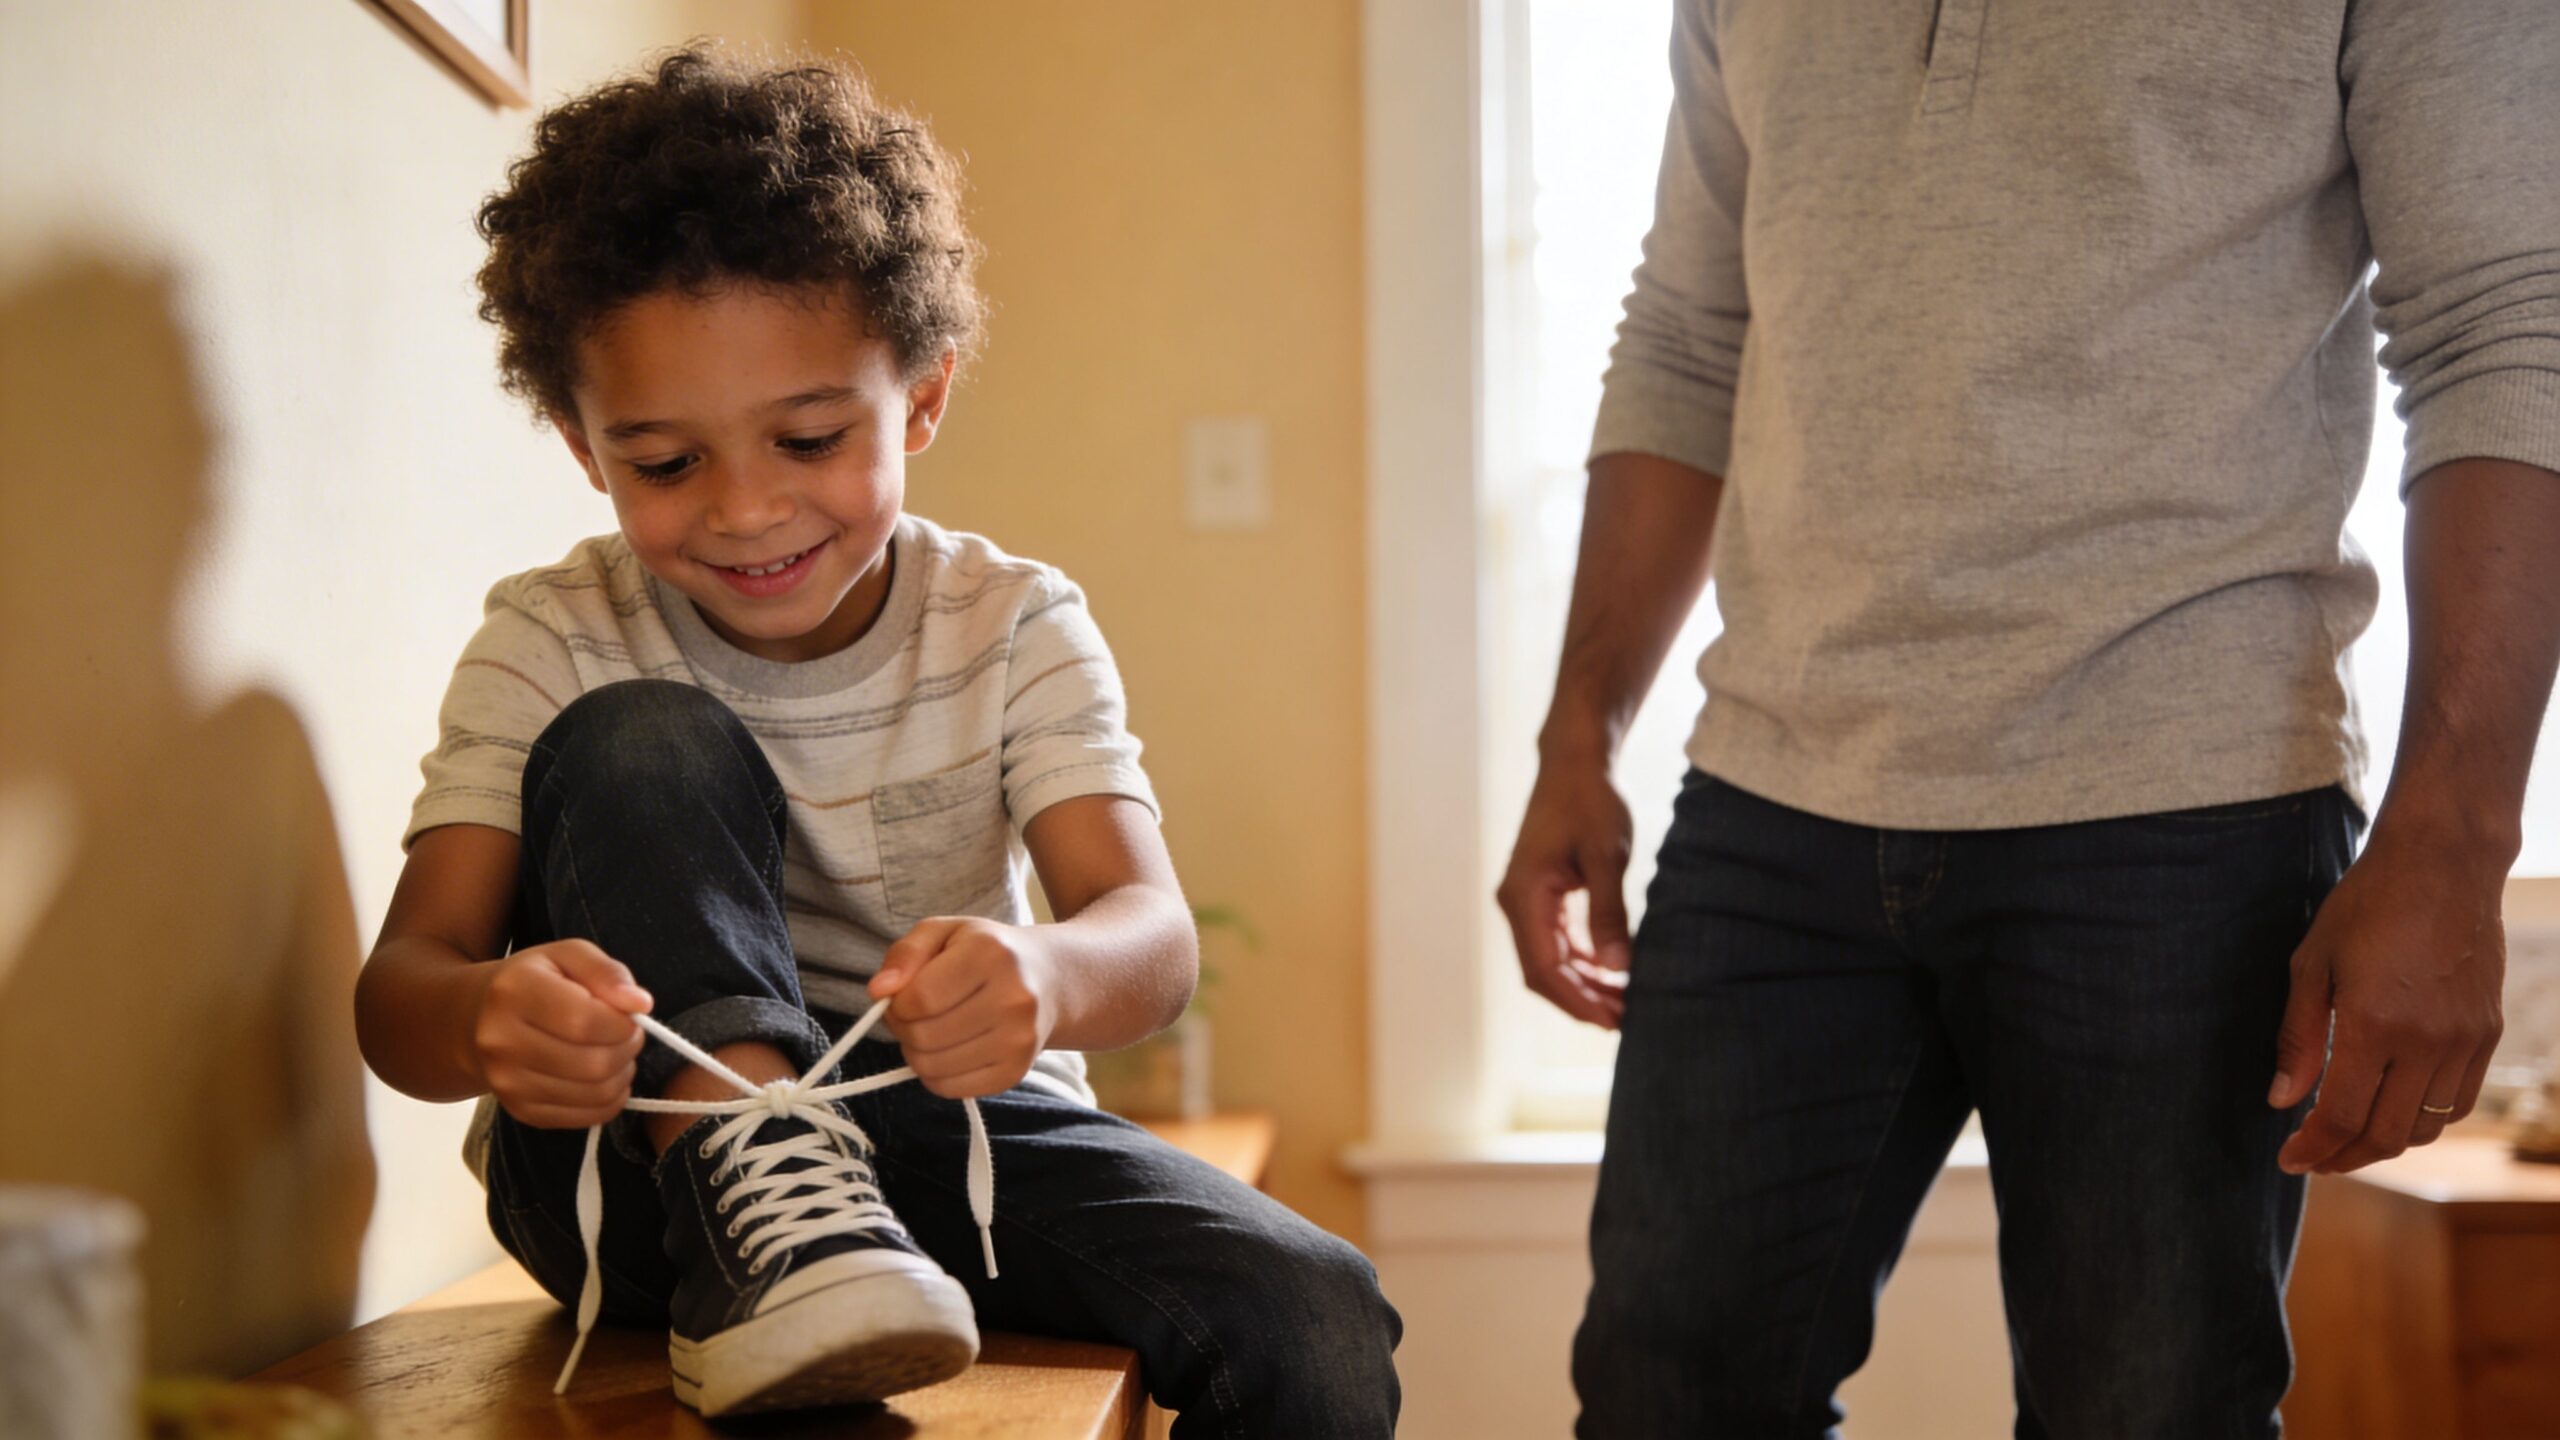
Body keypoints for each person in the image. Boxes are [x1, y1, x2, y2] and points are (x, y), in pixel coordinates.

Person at [1497, 2, 2558, 1435]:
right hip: (1772, 799)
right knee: (1662, 1406)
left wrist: (2456, 842)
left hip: (2186, 813)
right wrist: (1577, 736)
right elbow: (1691, 336)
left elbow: (2509, 326)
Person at [352, 45, 1398, 1431]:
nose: (743, 509)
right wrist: (488, 1021)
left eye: (807, 439)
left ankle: (829, 1252)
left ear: (922, 397)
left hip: (946, 1141)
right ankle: (756, 1181)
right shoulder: (553, 636)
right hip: (631, 1184)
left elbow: (1148, 936)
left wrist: (1043, 971)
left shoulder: (1013, 623)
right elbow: (398, 993)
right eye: (667, 464)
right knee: (644, 740)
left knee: (1315, 1314)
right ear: (584, 448)